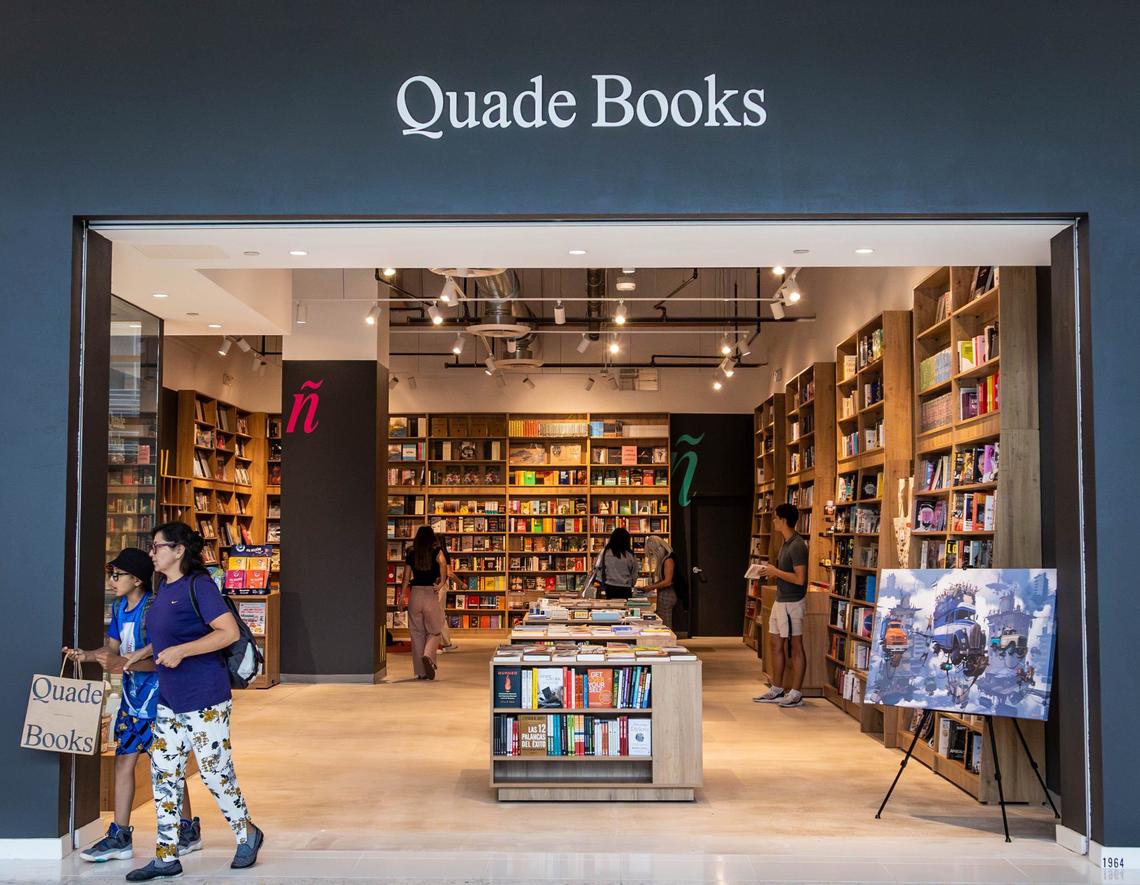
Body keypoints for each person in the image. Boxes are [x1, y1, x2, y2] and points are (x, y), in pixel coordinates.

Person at [120, 522, 264, 881]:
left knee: (215, 773)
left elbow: (227, 632)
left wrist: (182, 651)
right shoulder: (161, 586)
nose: (152, 553)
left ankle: (247, 833)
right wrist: (148, 649)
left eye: (157, 547)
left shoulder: (199, 585)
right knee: (163, 774)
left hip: (204, 696)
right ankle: (166, 855)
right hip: (169, 697)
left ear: (178, 550)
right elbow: (173, 632)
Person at [64, 549, 199, 863]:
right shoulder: (120, 607)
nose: (111, 581)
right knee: (124, 762)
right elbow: (111, 650)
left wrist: (123, 664)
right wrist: (85, 656)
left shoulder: (154, 610)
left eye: (117, 575)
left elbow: (162, 659)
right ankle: (120, 835)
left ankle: (187, 830)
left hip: (160, 702)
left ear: (136, 579)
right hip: (130, 702)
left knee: (168, 769)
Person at [754, 503, 809, 708]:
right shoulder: (786, 543)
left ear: (784, 520)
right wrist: (769, 571)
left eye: (776, 518)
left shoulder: (797, 545)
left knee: (795, 647)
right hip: (781, 600)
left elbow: (799, 579)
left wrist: (775, 572)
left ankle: (796, 692)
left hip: (793, 602)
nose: (774, 521)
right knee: (775, 644)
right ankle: (777, 688)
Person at [400, 525, 449, 679]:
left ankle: (420, 672)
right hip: (430, 593)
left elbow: (406, 577)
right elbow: (443, 564)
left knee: (416, 633)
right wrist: (441, 582)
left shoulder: (411, 553)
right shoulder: (436, 551)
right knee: (435, 630)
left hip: (415, 595)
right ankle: (428, 655)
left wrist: (402, 595)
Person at [591, 527, 640, 600]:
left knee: (609, 609)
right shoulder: (630, 555)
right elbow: (634, 572)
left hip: (608, 587)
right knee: (625, 609)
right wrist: (632, 583)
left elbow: (596, 567)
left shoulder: (605, 552)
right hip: (625, 588)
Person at [641, 535, 678, 628]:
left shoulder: (668, 560)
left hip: (668, 594)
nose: (653, 555)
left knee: (665, 621)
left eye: (652, 552)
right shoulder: (667, 558)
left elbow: (667, 581)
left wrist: (650, 587)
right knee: (663, 619)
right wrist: (653, 586)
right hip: (665, 593)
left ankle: (667, 640)